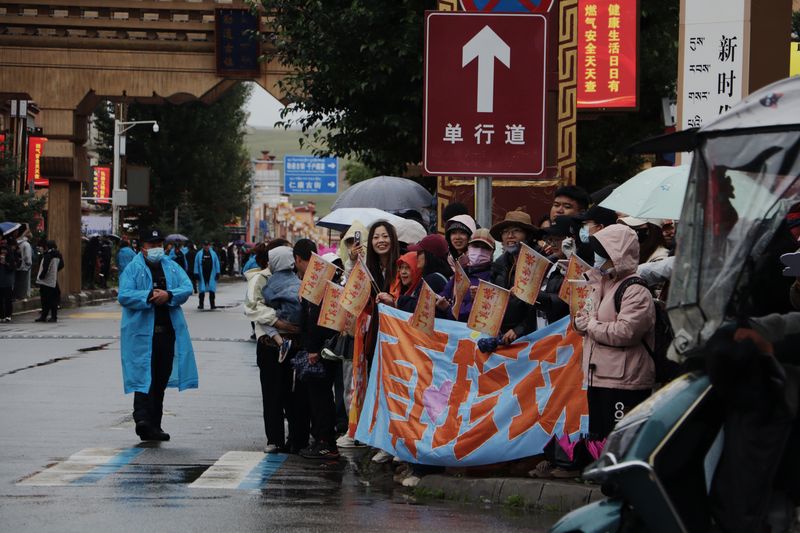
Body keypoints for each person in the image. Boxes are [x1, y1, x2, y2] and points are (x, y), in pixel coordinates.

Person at [574, 224, 655, 440]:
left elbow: (627, 332)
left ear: (617, 255)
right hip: (598, 376)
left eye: (602, 253)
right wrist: (580, 322)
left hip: (625, 380)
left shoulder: (635, 290)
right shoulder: (601, 283)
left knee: (619, 442)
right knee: (598, 439)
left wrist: (590, 325)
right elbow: (587, 316)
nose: (597, 258)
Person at [118, 228, 197, 441]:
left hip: (166, 333)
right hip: (142, 334)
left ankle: (155, 424)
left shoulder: (171, 266)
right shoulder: (133, 269)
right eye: (152, 245)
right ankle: (142, 419)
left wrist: (169, 295)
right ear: (142, 247)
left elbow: (187, 287)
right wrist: (149, 296)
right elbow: (124, 295)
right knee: (144, 376)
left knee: (160, 379)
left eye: (159, 245)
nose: (156, 249)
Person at [244, 242, 302, 453]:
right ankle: (275, 439)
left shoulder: (298, 279)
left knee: (293, 394)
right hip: (269, 346)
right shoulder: (260, 279)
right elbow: (252, 307)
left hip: (294, 344)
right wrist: (279, 323)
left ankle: (295, 439)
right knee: (272, 394)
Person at [295, 239, 340, 460]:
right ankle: (323, 441)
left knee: (321, 398)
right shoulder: (319, 278)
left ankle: (325, 443)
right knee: (321, 398)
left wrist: (312, 349)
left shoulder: (317, 281)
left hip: (320, 351)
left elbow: (315, 319)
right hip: (326, 348)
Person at [490, 209, 540, 343]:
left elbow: (538, 304)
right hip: (501, 333)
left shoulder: (539, 262)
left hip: (530, 336)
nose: (510, 236)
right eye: (505, 232)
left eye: (516, 231)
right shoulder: (499, 263)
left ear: (528, 235)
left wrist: (520, 329)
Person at [437, 228, 496, 322]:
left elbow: (472, 313)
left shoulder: (492, 277)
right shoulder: (461, 272)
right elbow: (445, 294)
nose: (479, 251)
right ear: (468, 248)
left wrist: (447, 308)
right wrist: (438, 300)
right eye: (475, 246)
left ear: (492, 252)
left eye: (485, 248)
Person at [260, 246, 301, 360]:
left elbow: (268, 299)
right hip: (299, 321)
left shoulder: (273, 281)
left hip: (286, 319)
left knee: (261, 316)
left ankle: (281, 342)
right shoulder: (297, 279)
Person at [535, 216, 571, 328]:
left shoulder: (581, 267)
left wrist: (534, 295)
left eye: (558, 239)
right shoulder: (547, 264)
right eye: (551, 239)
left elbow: (565, 302)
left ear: (571, 239)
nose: (553, 244)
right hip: (541, 333)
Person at [35, 240, 64, 323]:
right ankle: (53, 316)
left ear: (47, 247)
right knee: (53, 299)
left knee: (45, 300)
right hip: (53, 280)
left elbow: (45, 267)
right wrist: (54, 271)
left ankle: (44, 316)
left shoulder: (48, 255)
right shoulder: (58, 255)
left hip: (45, 281)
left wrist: (41, 276)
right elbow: (62, 265)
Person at [194, 241, 220, 309]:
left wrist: (218, 272)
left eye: (207, 245)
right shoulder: (199, 254)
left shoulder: (213, 254)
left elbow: (217, 263)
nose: (206, 246)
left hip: (211, 274)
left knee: (212, 290)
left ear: (209, 246)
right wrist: (196, 273)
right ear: (203, 246)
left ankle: (212, 305)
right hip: (202, 274)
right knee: (202, 290)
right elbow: (196, 264)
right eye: (205, 245)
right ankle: (201, 304)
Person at [0, 237, 18, 322]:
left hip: (7, 281)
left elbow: (12, 267)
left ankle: (8, 315)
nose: (3, 253)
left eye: (4, 251)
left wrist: (6, 263)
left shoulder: (10, 256)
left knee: (8, 299)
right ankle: (1, 315)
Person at [14, 228, 32, 300]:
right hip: (24, 266)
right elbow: (27, 256)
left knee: (17, 282)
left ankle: (17, 296)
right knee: (24, 282)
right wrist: (29, 263)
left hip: (18, 265)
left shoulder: (18, 243)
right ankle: (22, 296)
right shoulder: (26, 244)